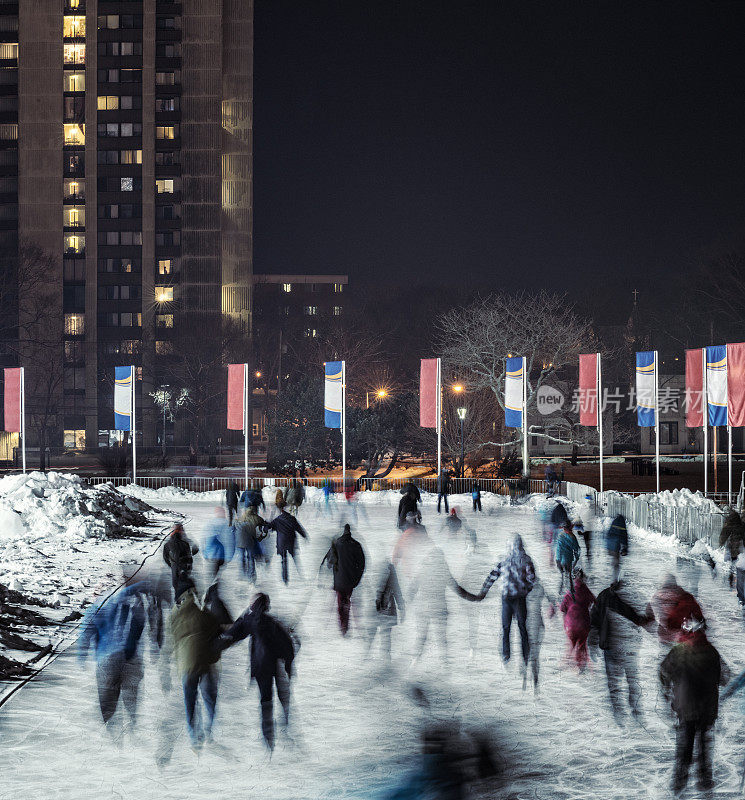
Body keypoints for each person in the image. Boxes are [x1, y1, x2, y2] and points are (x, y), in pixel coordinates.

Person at [659, 615, 730, 794]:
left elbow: (663, 672)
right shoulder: (712, 652)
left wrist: (669, 691)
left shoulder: (678, 651)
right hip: (707, 709)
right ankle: (705, 781)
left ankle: (679, 783)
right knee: (705, 746)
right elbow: (725, 677)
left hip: (685, 707)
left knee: (684, 746)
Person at [219, 592, 297, 750]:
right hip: (276, 666)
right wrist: (289, 667)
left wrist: (217, 643)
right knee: (283, 695)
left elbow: (233, 633)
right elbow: (288, 646)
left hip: (261, 668)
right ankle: (286, 724)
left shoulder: (250, 620)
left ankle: (268, 739)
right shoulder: (273, 623)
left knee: (265, 701)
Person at [78, 583, 146, 730]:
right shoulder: (128, 607)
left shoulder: (95, 609)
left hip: (106, 660)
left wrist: (81, 656)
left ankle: (111, 732)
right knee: (131, 697)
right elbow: (139, 626)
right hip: (130, 659)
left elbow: (85, 634)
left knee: (107, 700)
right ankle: (132, 725)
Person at [168, 581, 223, 750]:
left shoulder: (173, 616)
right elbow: (217, 627)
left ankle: (194, 737)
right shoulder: (201, 614)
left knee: (190, 702)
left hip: (185, 666)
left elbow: (173, 640)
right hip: (204, 662)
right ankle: (210, 731)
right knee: (209, 698)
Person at [589, 580, 651, 724]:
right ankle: (625, 712)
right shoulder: (608, 596)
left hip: (623, 648)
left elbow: (645, 618)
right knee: (624, 682)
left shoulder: (624, 595)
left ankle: (629, 712)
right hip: (616, 648)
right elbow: (595, 619)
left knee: (626, 681)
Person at [475, 534, 536, 667]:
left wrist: (483, 592)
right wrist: (525, 590)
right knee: (522, 628)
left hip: (506, 599)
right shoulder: (526, 560)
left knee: (506, 628)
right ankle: (525, 657)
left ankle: (506, 657)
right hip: (520, 599)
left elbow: (492, 576)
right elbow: (532, 579)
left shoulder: (503, 560)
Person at [321, 523, 366, 635]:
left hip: (339, 580)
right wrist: (357, 578)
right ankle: (345, 623)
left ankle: (343, 626)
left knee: (341, 602)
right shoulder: (356, 545)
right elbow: (362, 564)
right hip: (351, 580)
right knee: (346, 599)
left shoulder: (336, 544)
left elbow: (329, 561)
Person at [645, 573, 703, 651]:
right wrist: (700, 621)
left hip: (663, 633)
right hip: (680, 634)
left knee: (664, 653)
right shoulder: (685, 596)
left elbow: (649, 613)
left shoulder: (656, 596)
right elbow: (696, 612)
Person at [367, 561, 405, 660]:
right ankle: (385, 662)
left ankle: (363, 661)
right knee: (385, 637)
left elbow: (366, 587)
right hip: (386, 608)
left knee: (369, 638)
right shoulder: (389, 567)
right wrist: (402, 608)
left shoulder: (371, 566)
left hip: (372, 607)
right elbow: (396, 589)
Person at [559, 568, 595, 671]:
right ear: (583, 578)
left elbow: (562, 608)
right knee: (582, 645)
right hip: (584, 624)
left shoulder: (569, 592)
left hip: (570, 625)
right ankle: (580, 668)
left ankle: (566, 665)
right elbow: (594, 602)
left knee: (570, 644)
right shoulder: (586, 590)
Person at [524, 573, 554, 691]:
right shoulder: (540, 587)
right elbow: (552, 599)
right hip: (538, 624)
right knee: (535, 654)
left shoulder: (523, 589)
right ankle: (535, 682)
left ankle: (528, 681)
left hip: (528, 624)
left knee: (529, 653)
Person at [266, 506, 308, 584]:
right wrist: (304, 536)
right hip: (291, 541)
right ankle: (301, 575)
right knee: (295, 558)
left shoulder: (277, 520)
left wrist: (268, 519)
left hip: (282, 542)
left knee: (284, 560)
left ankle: (285, 579)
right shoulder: (292, 518)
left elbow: (269, 526)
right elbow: (299, 528)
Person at [235, 504, 268, 583]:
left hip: (240, 542)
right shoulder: (257, 518)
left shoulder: (241, 518)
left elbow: (235, 526)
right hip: (251, 541)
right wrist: (262, 536)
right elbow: (265, 525)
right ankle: (252, 575)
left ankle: (243, 574)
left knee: (242, 557)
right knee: (250, 558)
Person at [163, 523, 199, 593]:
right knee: (185, 584)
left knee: (176, 585)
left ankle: (178, 600)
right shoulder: (185, 543)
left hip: (175, 566)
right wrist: (189, 566)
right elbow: (191, 555)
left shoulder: (167, 544)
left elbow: (165, 558)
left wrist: (172, 565)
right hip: (184, 566)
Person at [203, 506, 236, 579]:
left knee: (213, 574)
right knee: (217, 574)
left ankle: (213, 584)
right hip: (222, 555)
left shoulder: (210, 524)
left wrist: (205, 554)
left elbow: (204, 541)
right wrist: (229, 556)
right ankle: (214, 584)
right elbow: (231, 542)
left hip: (211, 555)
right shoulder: (228, 525)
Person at [719, 508, 745, 599]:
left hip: (736, 550)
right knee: (739, 570)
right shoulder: (741, 525)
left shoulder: (731, 525)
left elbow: (723, 535)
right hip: (739, 550)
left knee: (739, 570)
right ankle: (741, 595)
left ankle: (741, 595)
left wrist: (721, 542)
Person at [554, 522, 581, 599]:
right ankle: (572, 592)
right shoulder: (573, 537)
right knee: (569, 575)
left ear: (564, 528)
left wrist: (557, 560)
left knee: (562, 576)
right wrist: (576, 558)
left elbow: (558, 549)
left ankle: (561, 592)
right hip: (568, 559)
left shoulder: (560, 536)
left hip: (561, 559)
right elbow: (577, 549)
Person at [605, 514, 628, 583]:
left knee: (615, 560)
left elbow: (608, 534)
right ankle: (615, 579)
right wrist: (625, 547)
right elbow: (624, 536)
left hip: (609, 545)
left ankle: (614, 576)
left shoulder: (614, 522)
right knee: (616, 562)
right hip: (615, 545)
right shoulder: (622, 523)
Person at [578, 494, 595, 561]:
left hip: (585, 527)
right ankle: (588, 551)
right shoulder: (591, 506)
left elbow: (581, 515)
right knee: (587, 540)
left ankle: (587, 551)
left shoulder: (584, 506)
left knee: (586, 540)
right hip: (589, 527)